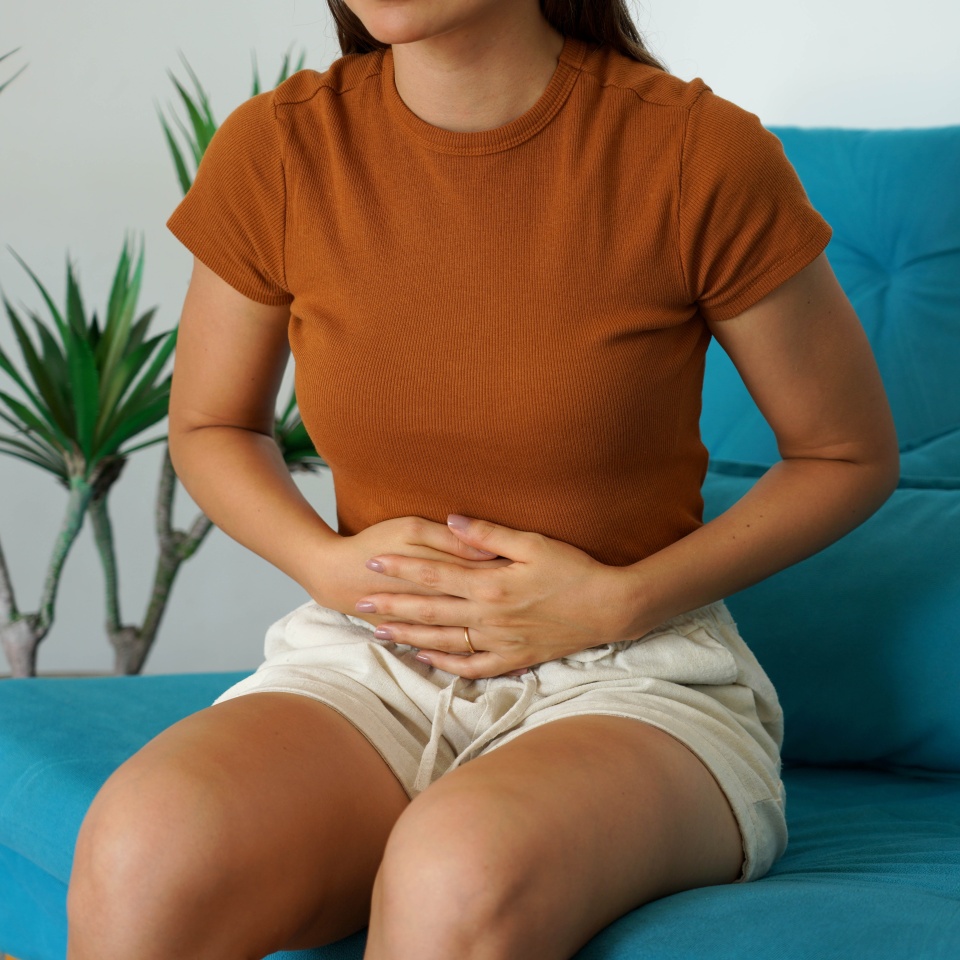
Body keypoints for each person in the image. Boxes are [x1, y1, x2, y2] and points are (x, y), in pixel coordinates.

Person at [66, 1, 899, 958]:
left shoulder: (692, 151)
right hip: (370, 657)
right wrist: (328, 568)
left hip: (630, 678)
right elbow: (213, 425)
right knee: (141, 849)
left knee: (455, 868)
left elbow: (845, 456)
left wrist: (617, 602)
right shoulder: (283, 147)